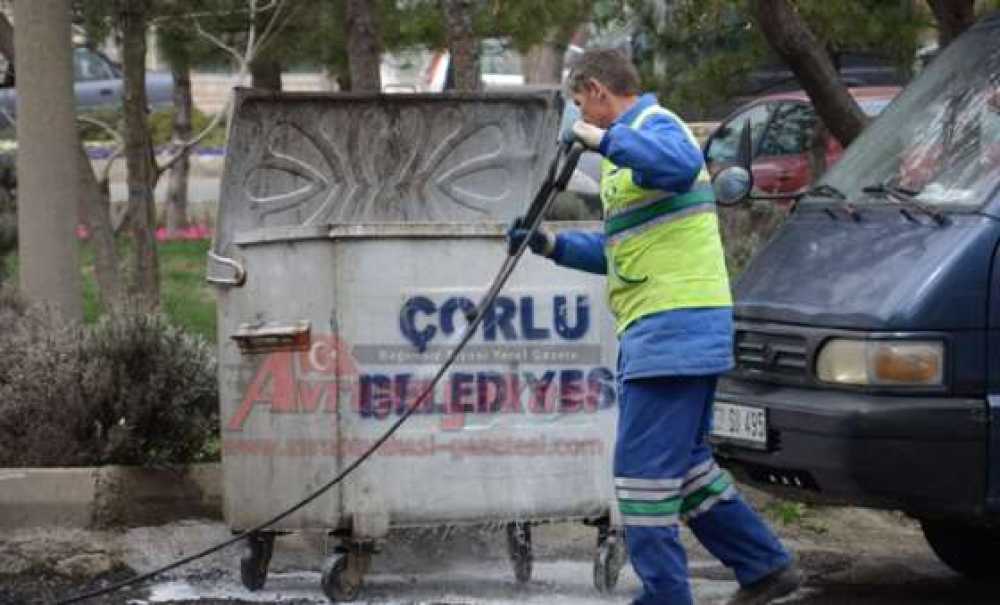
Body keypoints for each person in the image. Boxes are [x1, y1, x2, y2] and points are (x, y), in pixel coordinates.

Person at [507, 48, 800, 605]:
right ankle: (764, 566)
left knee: (640, 477)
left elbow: (676, 164)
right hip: (676, 330)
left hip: (672, 329)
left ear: (596, 90)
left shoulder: (655, 127)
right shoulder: (629, 154)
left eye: (579, 106)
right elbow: (620, 249)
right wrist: (548, 244)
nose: (581, 119)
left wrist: (599, 139)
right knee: (686, 471)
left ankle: (666, 596)